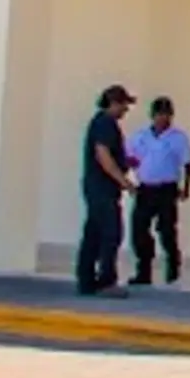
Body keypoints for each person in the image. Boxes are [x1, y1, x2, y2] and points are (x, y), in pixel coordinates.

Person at [125, 96, 190, 289]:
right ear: (152, 116)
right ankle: (143, 271)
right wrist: (128, 177)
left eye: (167, 115)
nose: (163, 119)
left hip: (167, 189)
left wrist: (186, 188)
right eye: (160, 115)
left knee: (166, 230)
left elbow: (188, 164)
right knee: (139, 229)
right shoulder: (140, 136)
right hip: (146, 188)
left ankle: (173, 266)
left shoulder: (178, 138)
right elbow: (130, 158)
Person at [76, 87, 135, 296]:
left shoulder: (101, 123)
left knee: (93, 232)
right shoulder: (105, 124)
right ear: (113, 102)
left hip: (96, 187)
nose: (126, 109)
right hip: (102, 188)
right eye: (123, 104)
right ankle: (106, 281)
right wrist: (124, 181)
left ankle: (86, 280)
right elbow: (103, 155)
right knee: (111, 233)